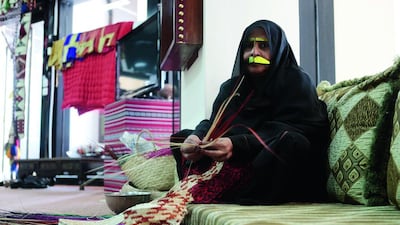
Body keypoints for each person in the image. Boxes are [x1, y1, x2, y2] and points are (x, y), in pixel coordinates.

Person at [170, 20, 330, 205]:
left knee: (291, 142)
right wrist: (198, 137)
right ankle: (220, 186)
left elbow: (295, 128)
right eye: (249, 46)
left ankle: (243, 191)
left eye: (263, 46)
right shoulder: (233, 87)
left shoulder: (296, 82)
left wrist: (236, 144)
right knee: (181, 138)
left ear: (277, 49)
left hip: (270, 165)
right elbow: (214, 121)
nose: (254, 53)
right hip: (233, 158)